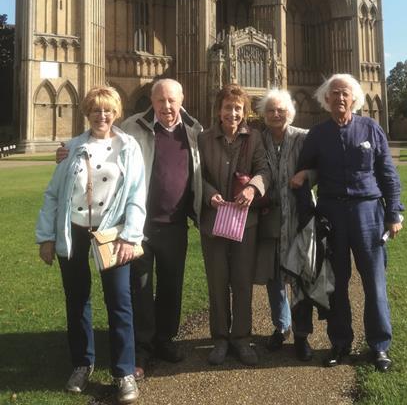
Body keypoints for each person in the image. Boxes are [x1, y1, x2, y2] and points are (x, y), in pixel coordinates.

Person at [36, 86, 146, 403]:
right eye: (96, 110)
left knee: (120, 302)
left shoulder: (128, 147)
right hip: (74, 230)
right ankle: (82, 364)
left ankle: (124, 371)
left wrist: (131, 235)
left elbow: (138, 195)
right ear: (88, 113)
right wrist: (46, 237)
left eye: (108, 110)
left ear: (116, 113)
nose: (102, 116)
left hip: (112, 233)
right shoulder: (71, 147)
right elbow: (54, 195)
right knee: (77, 299)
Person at [291, 74, 403, 372]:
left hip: (368, 213)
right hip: (332, 214)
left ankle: (379, 346)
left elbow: (388, 174)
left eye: (345, 93)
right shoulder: (318, 134)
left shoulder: (370, 128)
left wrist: (394, 213)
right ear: (325, 100)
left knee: (374, 283)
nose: (340, 98)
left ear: (354, 98)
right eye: (334, 94)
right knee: (336, 285)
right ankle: (340, 343)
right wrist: (308, 212)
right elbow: (303, 172)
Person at [122, 78, 202, 378]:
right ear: (152, 101)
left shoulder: (194, 131)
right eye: (161, 100)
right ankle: (141, 348)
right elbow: (100, 144)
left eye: (172, 100)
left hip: (175, 226)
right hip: (139, 227)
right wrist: (71, 151)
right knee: (140, 289)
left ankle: (165, 339)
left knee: (171, 286)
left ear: (181, 100)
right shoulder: (132, 127)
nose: (167, 106)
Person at [198, 84, 270, 366]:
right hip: (214, 221)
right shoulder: (203, 139)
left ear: (245, 111)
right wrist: (208, 195)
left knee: (241, 282)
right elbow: (197, 174)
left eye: (238, 108)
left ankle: (241, 339)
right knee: (217, 282)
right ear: (219, 110)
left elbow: (264, 170)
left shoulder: (255, 138)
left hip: (245, 222)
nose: (233, 113)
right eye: (228, 107)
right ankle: (219, 339)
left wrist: (253, 188)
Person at [255, 89, 315, 361]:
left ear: (289, 112)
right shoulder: (259, 140)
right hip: (269, 219)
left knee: (300, 277)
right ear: (264, 114)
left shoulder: (303, 138)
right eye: (270, 110)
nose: (276, 114)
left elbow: (320, 168)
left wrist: (306, 174)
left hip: (298, 217)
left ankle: (302, 335)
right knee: (274, 277)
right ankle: (282, 326)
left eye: (280, 110)